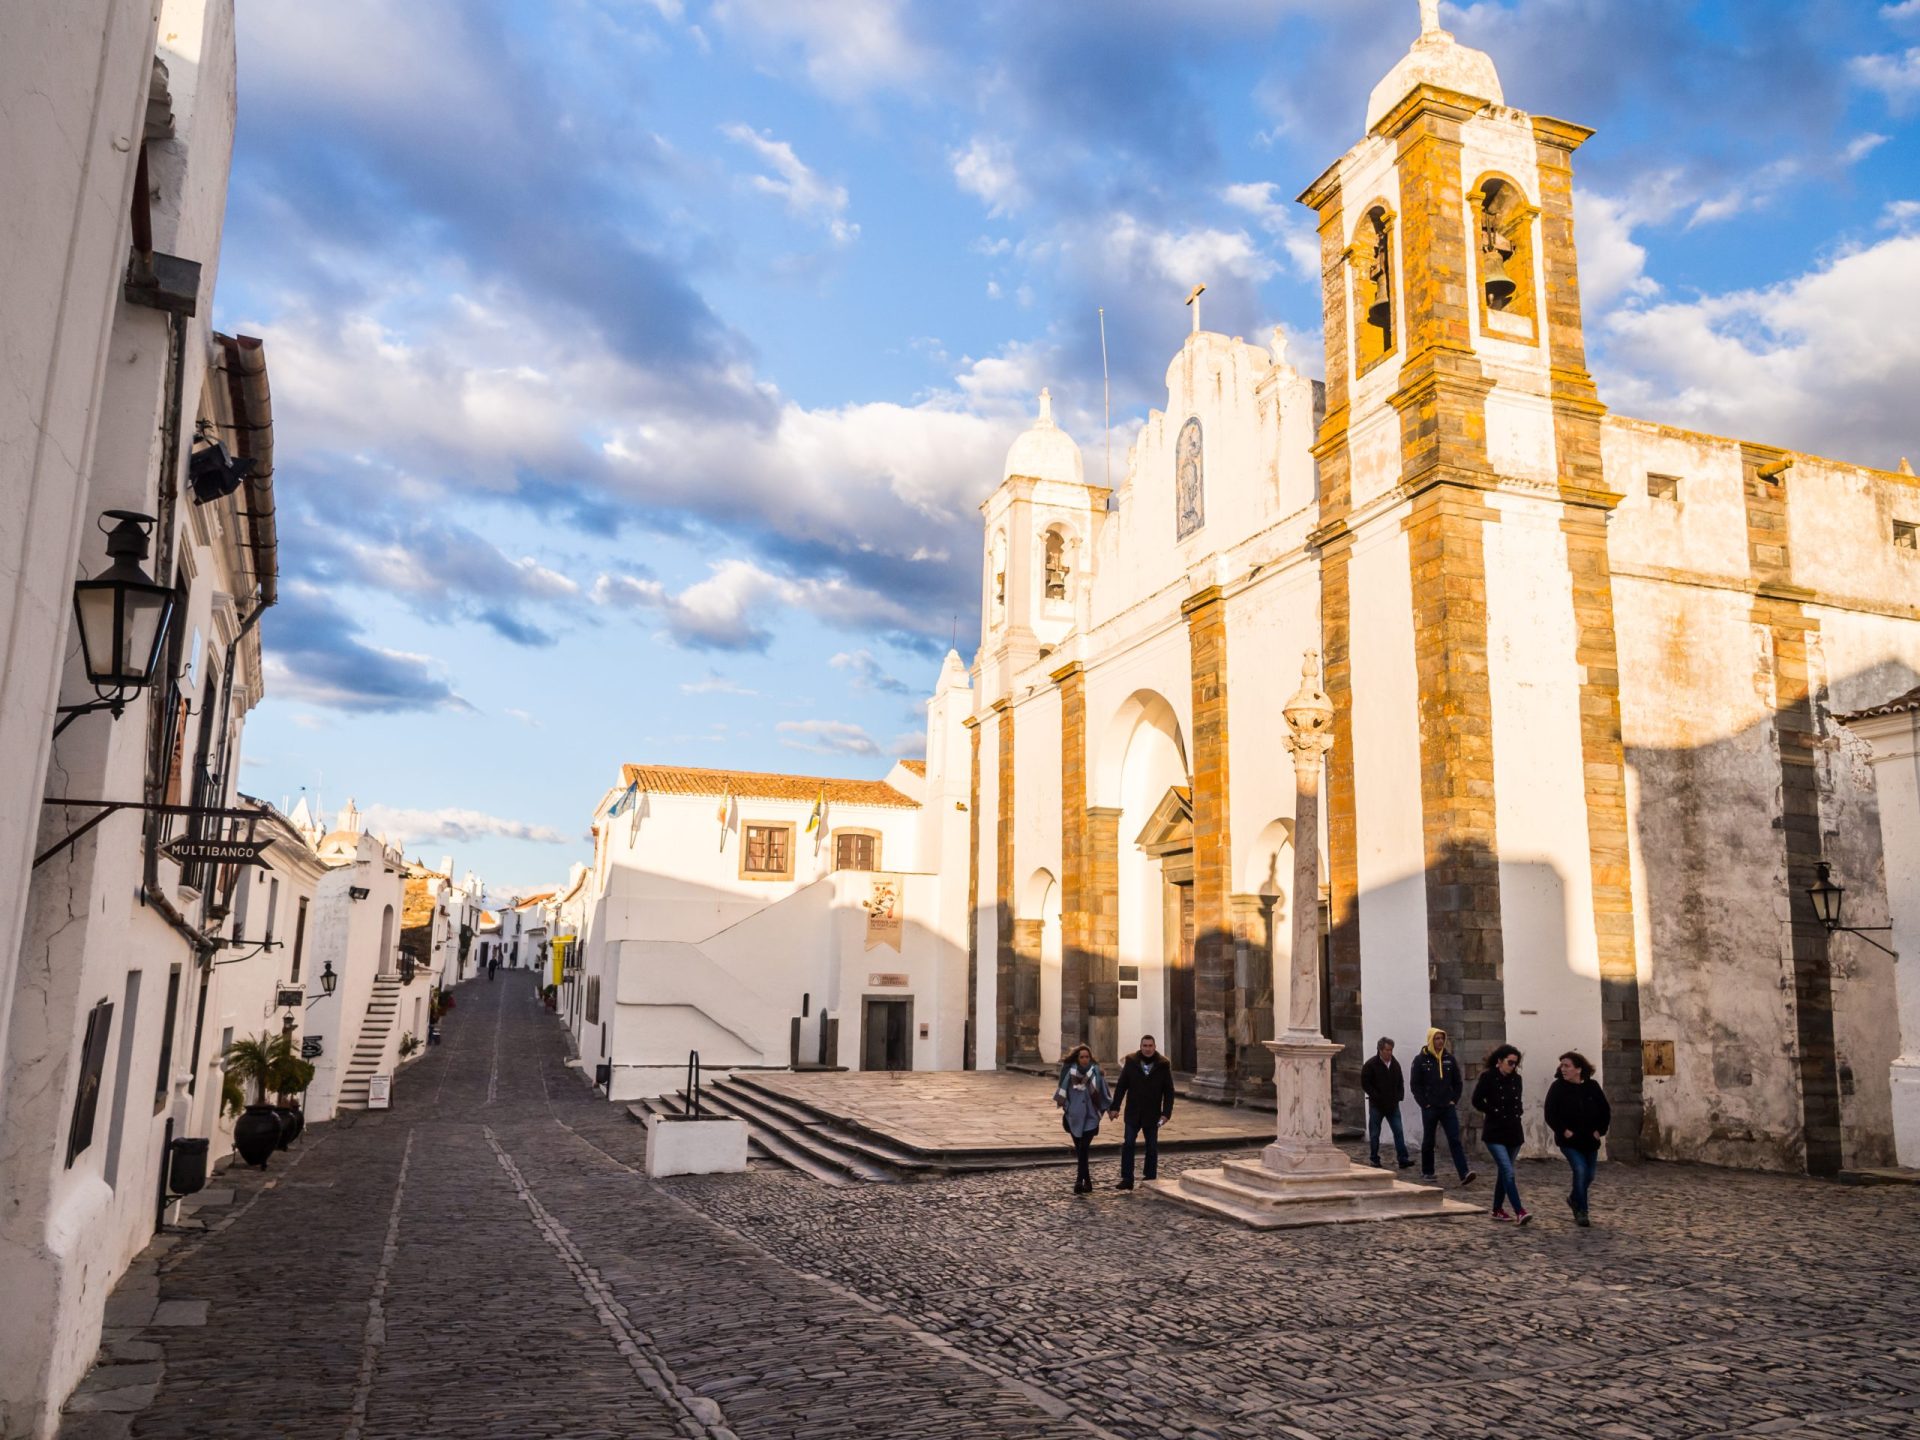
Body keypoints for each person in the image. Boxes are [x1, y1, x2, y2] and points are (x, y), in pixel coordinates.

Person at [1544, 1050, 1611, 1227]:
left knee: (1589, 1175)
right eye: (1562, 1066)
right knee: (1580, 1169)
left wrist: (1600, 1131)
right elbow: (1550, 1113)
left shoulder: (1592, 1086)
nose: (1563, 1069)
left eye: (1567, 1066)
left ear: (1579, 1069)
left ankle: (1574, 1198)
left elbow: (1605, 1110)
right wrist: (1563, 1130)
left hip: (1590, 1140)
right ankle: (1582, 1211)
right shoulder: (1557, 1087)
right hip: (1569, 1141)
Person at [1410, 1027, 1476, 1187]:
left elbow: (1457, 1082)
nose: (1440, 1041)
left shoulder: (1449, 1059)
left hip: (1447, 1107)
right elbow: (1415, 1084)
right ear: (1431, 1040)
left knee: (1454, 1139)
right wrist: (1424, 1103)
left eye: (1442, 1038)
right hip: (1430, 1107)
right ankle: (1428, 1171)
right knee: (1429, 1140)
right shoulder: (1420, 1060)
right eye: (1437, 1038)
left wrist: (1454, 1099)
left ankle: (1464, 1172)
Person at [1108, 1035, 1176, 1190]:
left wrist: (1166, 1113)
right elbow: (1121, 1086)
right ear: (1141, 1046)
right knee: (1129, 1144)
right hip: (1133, 1112)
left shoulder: (1163, 1065)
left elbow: (1169, 1091)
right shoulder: (1131, 1062)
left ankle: (1150, 1175)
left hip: (1152, 1114)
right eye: (1145, 1045)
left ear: (1155, 1046)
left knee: (1151, 1146)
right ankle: (1127, 1178)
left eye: (1150, 1045)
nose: (1147, 1048)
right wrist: (1115, 1107)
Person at [1472, 1044, 1529, 1224]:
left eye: (1515, 1064)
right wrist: (1494, 1110)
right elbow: (1477, 1100)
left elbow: (1518, 1100)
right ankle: (1519, 1211)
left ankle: (1497, 1209)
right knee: (1508, 1171)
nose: (1512, 1066)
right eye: (1510, 1063)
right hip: (1495, 1132)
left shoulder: (1516, 1080)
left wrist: (1518, 1111)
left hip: (1513, 1131)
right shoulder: (1488, 1077)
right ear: (1499, 1061)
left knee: (1504, 1172)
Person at [1053, 1044, 1111, 1194]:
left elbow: (1105, 1094)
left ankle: (1079, 1181)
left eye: (1087, 1057)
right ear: (1077, 1059)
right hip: (1075, 1117)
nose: (1085, 1060)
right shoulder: (1069, 1073)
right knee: (1080, 1150)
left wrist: (1111, 1110)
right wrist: (1068, 1108)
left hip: (1091, 1117)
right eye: (1082, 1057)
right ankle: (1088, 1182)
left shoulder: (1097, 1073)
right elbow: (1062, 1093)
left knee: (1083, 1148)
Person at [1360, 1037, 1413, 1169]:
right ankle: (1374, 1158)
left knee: (1398, 1131)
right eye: (1387, 1050)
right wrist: (1375, 1096)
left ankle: (1403, 1158)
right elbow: (1365, 1083)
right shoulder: (1370, 1065)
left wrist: (1399, 1096)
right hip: (1377, 1105)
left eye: (1391, 1050)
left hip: (1392, 1105)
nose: (1389, 1053)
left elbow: (1400, 1081)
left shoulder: (1395, 1064)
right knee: (1375, 1133)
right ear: (1380, 1050)